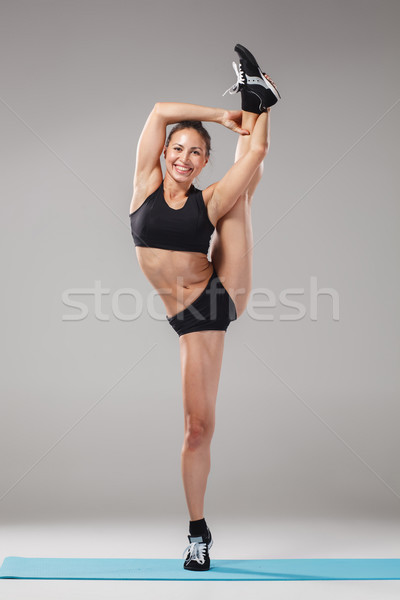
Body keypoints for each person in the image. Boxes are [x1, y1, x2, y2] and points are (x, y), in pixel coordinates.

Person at [128, 44, 280, 571]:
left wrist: (245, 124)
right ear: (165, 152)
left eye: (196, 153)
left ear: (204, 162)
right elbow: (158, 112)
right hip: (181, 314)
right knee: (247, 189)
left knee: (197, 428)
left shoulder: (207, 199)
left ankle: (197, 535)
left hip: (214, 302)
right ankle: (257, 95)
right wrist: (221, 115)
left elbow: (253, 156)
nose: (184, 158)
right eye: (179, 149)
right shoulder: (144, 187)